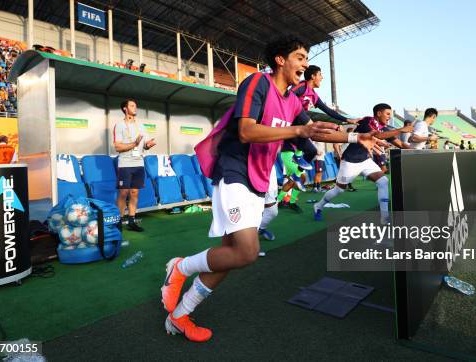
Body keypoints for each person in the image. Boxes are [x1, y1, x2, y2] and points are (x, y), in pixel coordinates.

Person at [160, 36, 381, 342]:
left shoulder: (292, 100)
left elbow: (312, 132)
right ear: (280, 59)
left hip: (259, 180)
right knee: (247, 252)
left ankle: (180, 316)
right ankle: (180, 268)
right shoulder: (256, 83)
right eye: (301, 57)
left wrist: (357, 139)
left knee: (230, 253)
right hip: (235, 171)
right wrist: (297, 129)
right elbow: (246, 131)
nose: (305, 64)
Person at [276, 65, 360, 210]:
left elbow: (327, 110)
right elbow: (286, 96)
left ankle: (290, 199)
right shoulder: (301, 87)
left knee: (311, 155)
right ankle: (278, 200)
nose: (322, 77)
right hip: (290, 129)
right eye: (320, 74)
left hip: (300, 130)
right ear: (313, 76)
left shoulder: (313, 95)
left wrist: (346, 120)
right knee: (315, 133)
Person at [314, 103, 412, 224]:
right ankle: (318, 206)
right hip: (350, 161)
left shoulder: (384, 128)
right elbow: (378, 135)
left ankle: (385, 218)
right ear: (378, 113)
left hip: (365, 161)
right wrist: (401, 129)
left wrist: (419, 152)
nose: (389, 117)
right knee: (339, 190)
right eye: (387, 114)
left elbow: (401, 145)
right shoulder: (367, 121)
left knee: (383, 181)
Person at [113, 98, 156, 232]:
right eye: (132, 105)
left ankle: (131, 221)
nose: (135, 107)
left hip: (139, 162)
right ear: (125, 108)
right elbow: (117, 147)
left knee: (134, 192)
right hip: (125, 163)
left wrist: (148, 145)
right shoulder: (119, 125)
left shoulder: (141, 125)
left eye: (135, 105)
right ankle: (118, 222)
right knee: (123, 193)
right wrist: (134, 144)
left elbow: (145, 144)